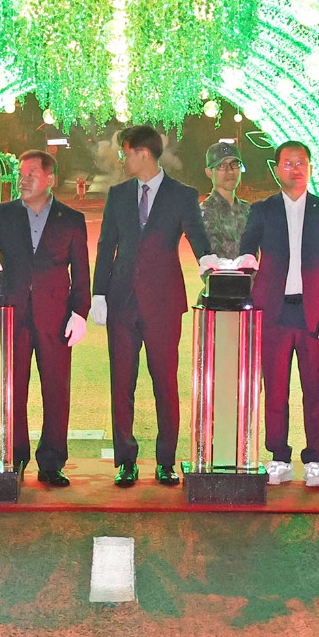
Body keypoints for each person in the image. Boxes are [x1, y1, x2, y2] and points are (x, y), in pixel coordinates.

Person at [92, 124, 212, 487]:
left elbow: (198, 238)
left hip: (163, 304)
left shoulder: (182, 195)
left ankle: (165, 461)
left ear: (143, 153)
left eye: (126, 153)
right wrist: (99, 294)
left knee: (165, 382)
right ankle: (126, 461)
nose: (122, 159)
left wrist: (213, 268)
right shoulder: (119, 195)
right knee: (121, 383)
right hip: (121, 301)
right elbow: (106, 245)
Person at [0, 149, 90, 487]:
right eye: (20, 174)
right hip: (14, 314)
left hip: (56, 317)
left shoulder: (71, 219)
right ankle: (16, 457)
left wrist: (79, 313)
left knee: (56, 390)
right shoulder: (3, 214)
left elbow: (81, 273)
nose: (22, 180)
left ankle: (52, 462)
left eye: (31, 174)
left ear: (49, 179)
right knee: (13, 389)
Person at [238, 140, 319, 487]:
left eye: (301, 163)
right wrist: (245, 262)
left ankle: (314, 459)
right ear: (276, 169)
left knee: (316, 391)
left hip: (314, 315)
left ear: (310, 168)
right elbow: (246, 250)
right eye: (288, 163)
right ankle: (279, 457)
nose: (295, 169)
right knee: (275, 390)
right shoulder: (263, 210)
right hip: (275, 313)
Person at [200, 141, 251, 260]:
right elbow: (213, 257)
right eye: (222, 166)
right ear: (209, 172)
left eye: (235, 164)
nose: (230, 171)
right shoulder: (204, 212)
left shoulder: (248, 210)